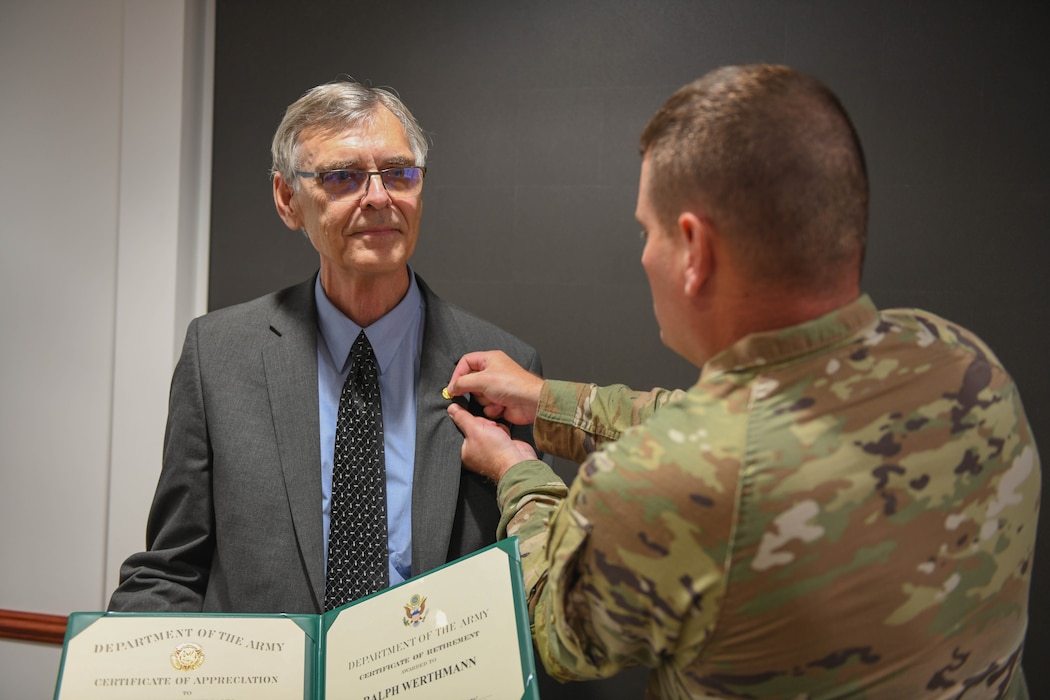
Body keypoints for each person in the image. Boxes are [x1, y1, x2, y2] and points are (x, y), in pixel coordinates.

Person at [445, 64, 1039, 699]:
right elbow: (722, 427)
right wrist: (545, 402)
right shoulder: (961, 359)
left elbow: (557, 631)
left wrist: (517, 473)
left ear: (695, 251)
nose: (643, 253)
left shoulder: (659, 483)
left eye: (648, 231)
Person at [108, 80, 544, 614]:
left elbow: (527, 586)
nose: (380, 198)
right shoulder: (218, 357)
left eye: (399, 173)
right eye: (343, 177)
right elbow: (171, 568)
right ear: (288, 200)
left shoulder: (505, 372)